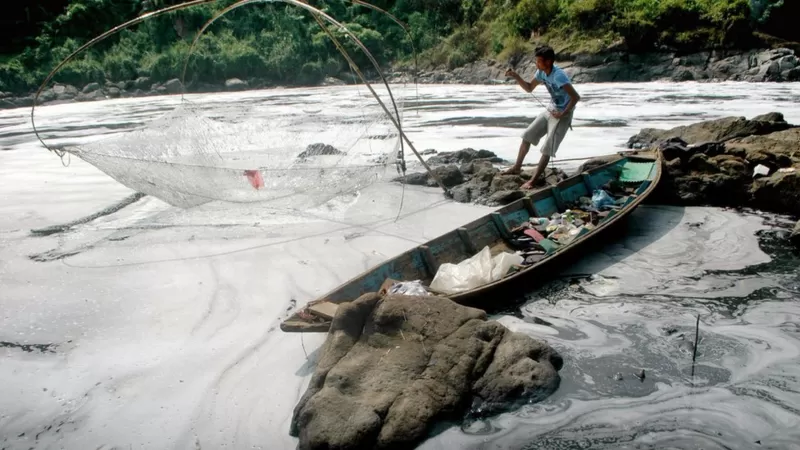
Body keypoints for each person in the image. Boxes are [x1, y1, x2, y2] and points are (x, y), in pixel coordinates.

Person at [503, 46, 580, 189]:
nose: (536, 64)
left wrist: (563, 113)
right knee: (527, 135)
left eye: (539, 61)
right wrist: (516, 76)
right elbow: (529, 88)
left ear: (549, 61)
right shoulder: (541, 73)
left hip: (563, 114)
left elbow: (575, 97)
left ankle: (532, 181)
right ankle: (517, 167)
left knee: (548, 148)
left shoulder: (559, 75)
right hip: (551, 110)